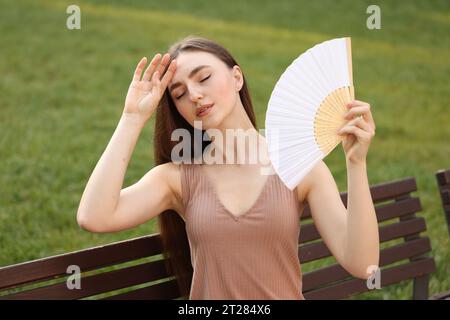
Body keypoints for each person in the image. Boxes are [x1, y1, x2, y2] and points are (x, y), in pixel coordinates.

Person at [77, 35, 379, 300]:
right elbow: (95, 217)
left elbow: (363, 264)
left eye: (203, 77)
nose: (194, 94)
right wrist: (132, 118)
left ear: (237, 77)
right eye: (179, 93)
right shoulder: (178, 179)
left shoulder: (298, 167)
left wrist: (356, 162)